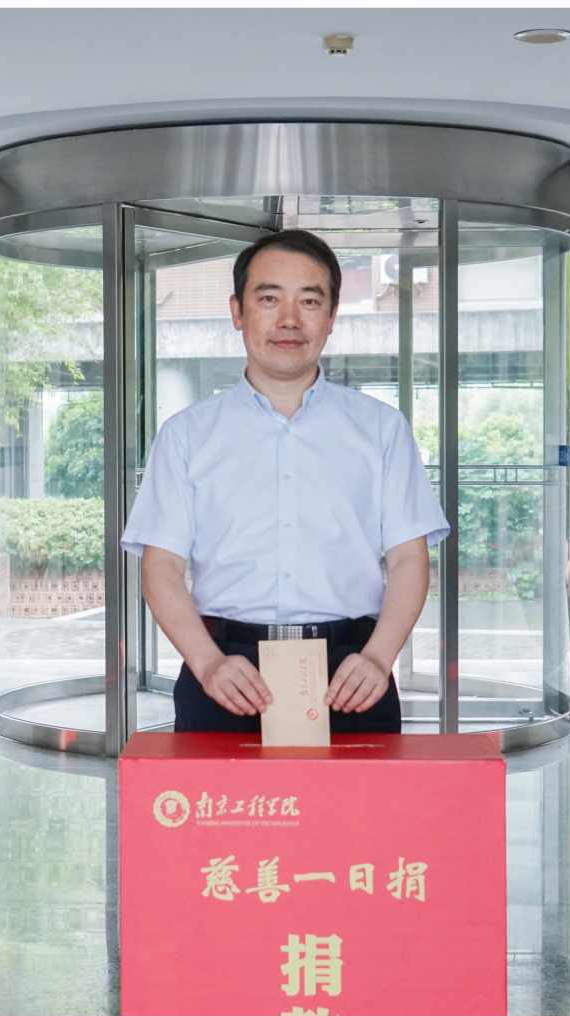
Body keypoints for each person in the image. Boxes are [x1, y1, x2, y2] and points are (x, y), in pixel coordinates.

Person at [121, 229, 450, 732]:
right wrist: (207, 664)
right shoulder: (186, 435)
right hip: (225, 671)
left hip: (352, 673)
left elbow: (409, 559)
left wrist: (379, 658)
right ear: (238, 312)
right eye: (269, 298)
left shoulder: (382, 429)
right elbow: (160, 568)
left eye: (310, 301)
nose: (290, 319)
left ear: (332, 317)